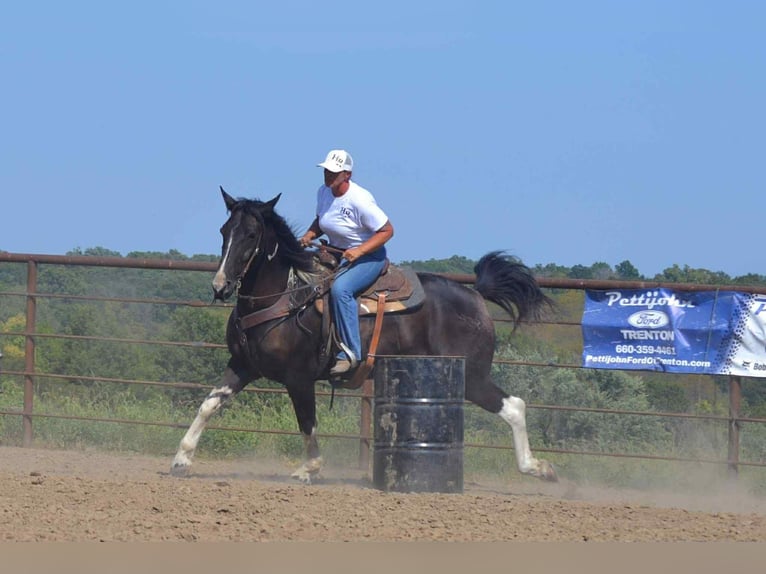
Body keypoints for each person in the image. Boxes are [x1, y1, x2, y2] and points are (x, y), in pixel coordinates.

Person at [299, 149, 394, 375]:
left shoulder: (360, 200)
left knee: (341, 289)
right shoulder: (323, 192)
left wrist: (360, 250)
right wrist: (310, 234)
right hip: (335, 253)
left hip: (369, 257)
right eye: (326, 170)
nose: (328, 175)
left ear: (347, 175)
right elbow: (322, 219)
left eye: (333, 172)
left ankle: (351, 353)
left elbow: (387, 230)